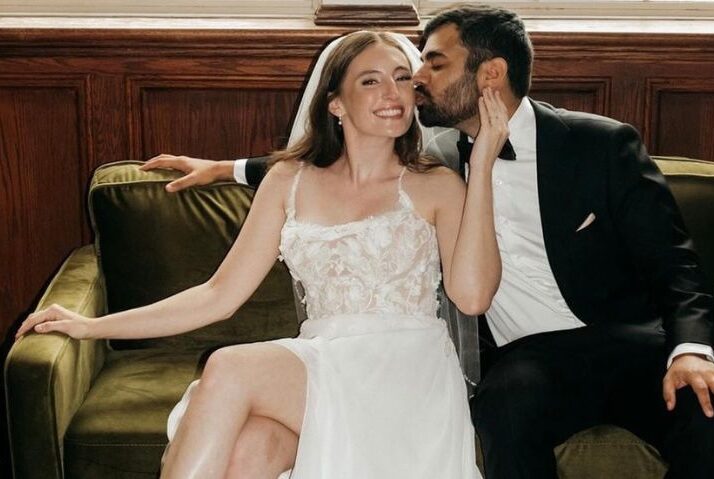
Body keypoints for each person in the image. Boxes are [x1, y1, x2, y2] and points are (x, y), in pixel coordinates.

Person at [145, 5, 714, 479]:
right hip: (528, 359)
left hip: (626, 343)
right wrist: (227, 168)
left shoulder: (602, 144)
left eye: (432, 65)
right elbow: (335, 163)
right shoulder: (433, 161)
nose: (416, 83)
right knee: (505, 411)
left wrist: (691, 352)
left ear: (489, 74)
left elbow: (678, 268)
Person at [15, 30, 511, 479]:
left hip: (407, 374)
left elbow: (471, 298)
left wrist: (483, 160)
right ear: (335, 104)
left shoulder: (436, 185)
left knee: (230, 368)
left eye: (403, 79)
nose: (393, 94)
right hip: (328, 359)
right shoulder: (288, 181)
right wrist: (90, 326)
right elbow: (217, 295)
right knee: (249, 450)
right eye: (371, 81)